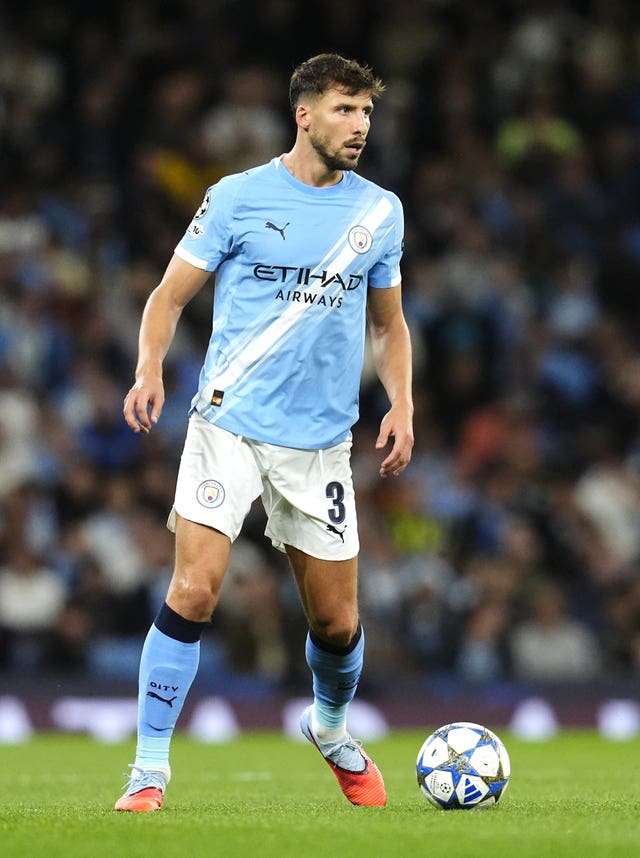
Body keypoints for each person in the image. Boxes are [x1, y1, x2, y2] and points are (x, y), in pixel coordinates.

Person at [115, 53, 414, 812]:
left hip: (318, 444)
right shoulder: (236, 197)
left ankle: (331, 728)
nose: (361, 126)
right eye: (346, 110)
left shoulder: (379, 211)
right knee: (194, 588)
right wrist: (149, 368)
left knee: (338, 624)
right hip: (229, 424)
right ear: (304, 114)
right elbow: (167, 296)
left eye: (368, 113)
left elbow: (389, 325)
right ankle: (148, 771)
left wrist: (402, 402)